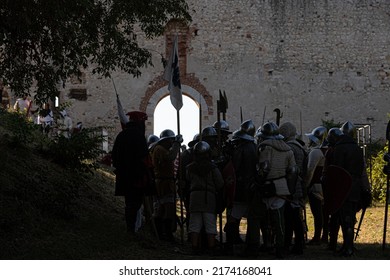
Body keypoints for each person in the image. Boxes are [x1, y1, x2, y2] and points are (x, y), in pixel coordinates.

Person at [256, 121, 296, 259]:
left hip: (267, 187)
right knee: (279, 221)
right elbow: (292, 171)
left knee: (264, 220)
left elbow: (264, 168)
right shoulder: (288, 149)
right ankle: (280, 248)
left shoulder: (265, 148)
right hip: (282, 186)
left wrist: (259, 182)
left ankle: (268, 244)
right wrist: (289, 188)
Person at [328, 121, 367, 256]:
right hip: (355, 186)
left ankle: (348, 247)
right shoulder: (357, 148)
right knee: (349, 217)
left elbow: (337, 170)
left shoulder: (339, 148)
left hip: (344, 186)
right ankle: (347, 245)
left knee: (346, 218)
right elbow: (361, 169)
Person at [111, 111, 150, 234]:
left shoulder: (121, 135)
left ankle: (131, 228)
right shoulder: (139, 136)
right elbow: (144, 156)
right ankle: (131, 229)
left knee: (129, 202)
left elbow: (114, 155)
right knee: (135, 203)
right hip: (136, 175)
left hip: (124, 175)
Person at [186, 141, 224, 255]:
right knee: (210, 224)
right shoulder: (213, 168)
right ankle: (211, 248)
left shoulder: (189, 168)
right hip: (208, 198)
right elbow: (220, 183)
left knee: (194, 224)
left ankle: (194, 247)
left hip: (195, 197)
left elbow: (187, 181)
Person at [225, 120, 257, 255]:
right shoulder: (256, 147)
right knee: (252, 218)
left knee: (234, 217)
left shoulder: (242, 148)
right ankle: (249, 244)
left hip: (241, 186)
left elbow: (235, 167)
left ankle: (232, 243)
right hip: (253, 186)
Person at [279, 121, 307, 255]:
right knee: (295, 216)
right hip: (298, 184)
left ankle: (292, 243)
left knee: (291, 217)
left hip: (291, 184)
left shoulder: (289, 148)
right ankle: (298, 243)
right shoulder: (300, 147)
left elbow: (289, 169)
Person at [151, 129, 183, 241]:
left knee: (164, 209)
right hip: (163, 183)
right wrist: (177, 144)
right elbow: (170, 157)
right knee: (166, 210)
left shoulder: (161, 149)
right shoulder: (159, 149)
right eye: (170, 140)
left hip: (166, 182)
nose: (171, 143)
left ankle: (163, 234)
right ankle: (165, 234)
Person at [304, 126, 328, 245]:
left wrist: (306, 184)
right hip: (320, 185)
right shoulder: (323, 151)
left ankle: (317, 237)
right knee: (321, 212)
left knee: (317, 212)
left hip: (315, 186)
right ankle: (322, 236)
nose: (310, 141)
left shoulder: (316, 152)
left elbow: (310, 170)